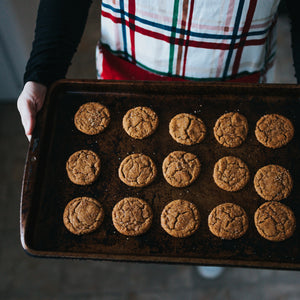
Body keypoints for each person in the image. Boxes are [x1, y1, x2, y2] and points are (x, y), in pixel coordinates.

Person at [16, 0, 299, 278]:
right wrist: (43, 71)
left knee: (218, 214)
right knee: (122, 166)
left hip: (235, 84)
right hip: (127, 78)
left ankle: (211, 249)